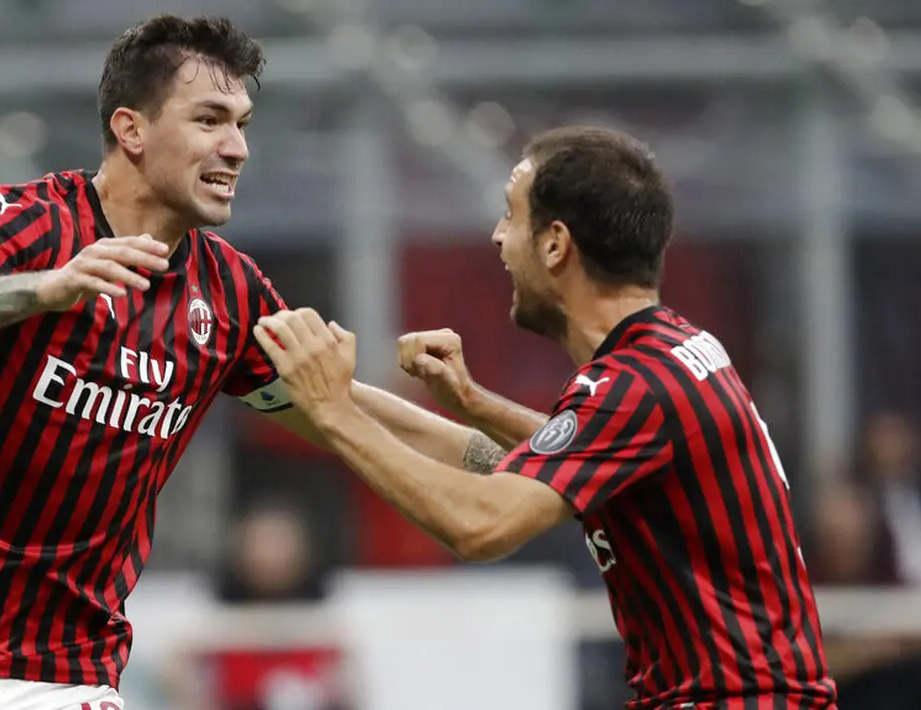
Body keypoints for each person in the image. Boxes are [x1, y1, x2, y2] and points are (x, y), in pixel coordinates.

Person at [0, 14, 506, 710]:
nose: (235, 148)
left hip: (55, 670)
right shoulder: (31, 223)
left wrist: (518, 463)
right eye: (209, 120)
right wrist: (45, 289)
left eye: (241, 124)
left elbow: (337, 407)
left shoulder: (231, 295)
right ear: (131, 130)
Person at [253, 126, 838, 709]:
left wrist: (334, 413)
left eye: (511, 217)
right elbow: (534, 463)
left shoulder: (631, 385)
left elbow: (480, 525)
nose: (498, 237)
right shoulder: (671, 353)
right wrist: (297, 390)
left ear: (555, 243)